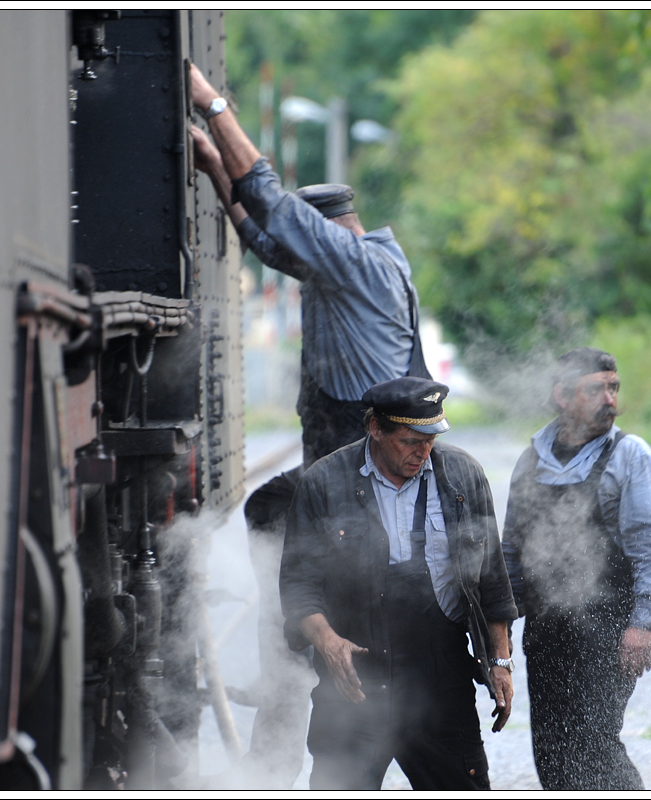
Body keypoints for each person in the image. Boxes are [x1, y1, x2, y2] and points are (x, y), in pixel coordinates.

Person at [187, 65, 429, 787]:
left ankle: (302, 722)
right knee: (273, 521)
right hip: (340, 471)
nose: (302, 258)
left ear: (332, 236)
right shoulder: (352, 264)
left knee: (311, 603)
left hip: (358, 476)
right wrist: (211, 174)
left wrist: (211, 106)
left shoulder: (359, 266)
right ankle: (281, 712)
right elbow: (269, 244)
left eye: (310, 243)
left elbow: (269, 200)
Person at [279, 376, 518, 790]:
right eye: (409, 440)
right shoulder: (323, 483)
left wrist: (500, 662)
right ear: (375, 428)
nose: (422, 452)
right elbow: (298, 587)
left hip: (441, 682)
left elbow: (493, 581)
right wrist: (329, 643)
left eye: (430, 439)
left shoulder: (463, 476)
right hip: (354, 684)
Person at [500, 347, 651, 790]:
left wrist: (644, 624)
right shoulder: (532, 460)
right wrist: (498, 626)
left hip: (607, 629)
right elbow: (512, 553)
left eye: (614, 387)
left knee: (594, 746)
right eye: (596, 389)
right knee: (552, 753)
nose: (611, 400)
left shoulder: (631, 456)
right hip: (545, 630)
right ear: (562, 395)